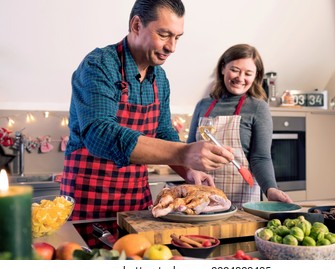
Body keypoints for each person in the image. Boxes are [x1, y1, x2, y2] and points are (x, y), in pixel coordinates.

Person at [60, 0, 234, 220]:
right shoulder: (99, 65)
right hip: (89, 203)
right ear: (136, 25)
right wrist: (184, 153)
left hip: (137, 205)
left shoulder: (160, 79)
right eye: (164, 35)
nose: (172, 47)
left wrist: (187, 169)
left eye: (177, 37)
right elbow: (99, 134)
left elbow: (163, 133)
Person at [187, 44, 292, 209]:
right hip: (202, 200)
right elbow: (189, 150)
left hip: (242, 203)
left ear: (256, 76)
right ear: (223, 68)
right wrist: (189, 172)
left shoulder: (258, 108)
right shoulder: (203, 105)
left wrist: (270, 189)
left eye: (248, 73)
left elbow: (260, 158)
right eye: (235, 70)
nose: (240, 78)